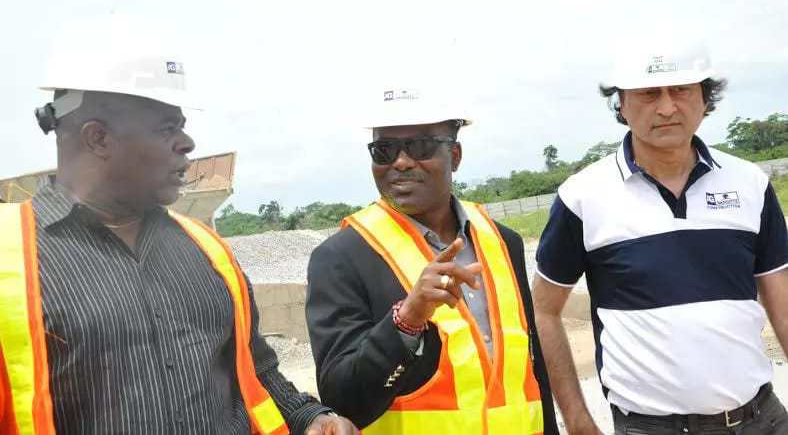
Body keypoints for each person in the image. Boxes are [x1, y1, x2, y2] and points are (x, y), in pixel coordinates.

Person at [0, 22, 357, 435]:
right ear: (98, 138)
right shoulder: (12, 260)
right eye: (167, 128)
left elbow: (255, 368)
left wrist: (309, 417)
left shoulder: (208, 251)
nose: (187, 143)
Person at [533, 38, 788, 434]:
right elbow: (544, 311)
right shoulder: (582, 197)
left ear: (705, 98)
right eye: (649, 93)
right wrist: (579, 421)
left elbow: (782, 302)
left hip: (762, 420)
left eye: (681, 90)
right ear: (621, 103)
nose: (667, 107)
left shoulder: (750, 184)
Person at [305, 89, 558, 434]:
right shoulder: (340, 259)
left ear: (454, 155)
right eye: (385, 150)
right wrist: (407, 320)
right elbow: (343, 400)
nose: (402, 162)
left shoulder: (503, 242)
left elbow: (532, 371)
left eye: (421, 146)